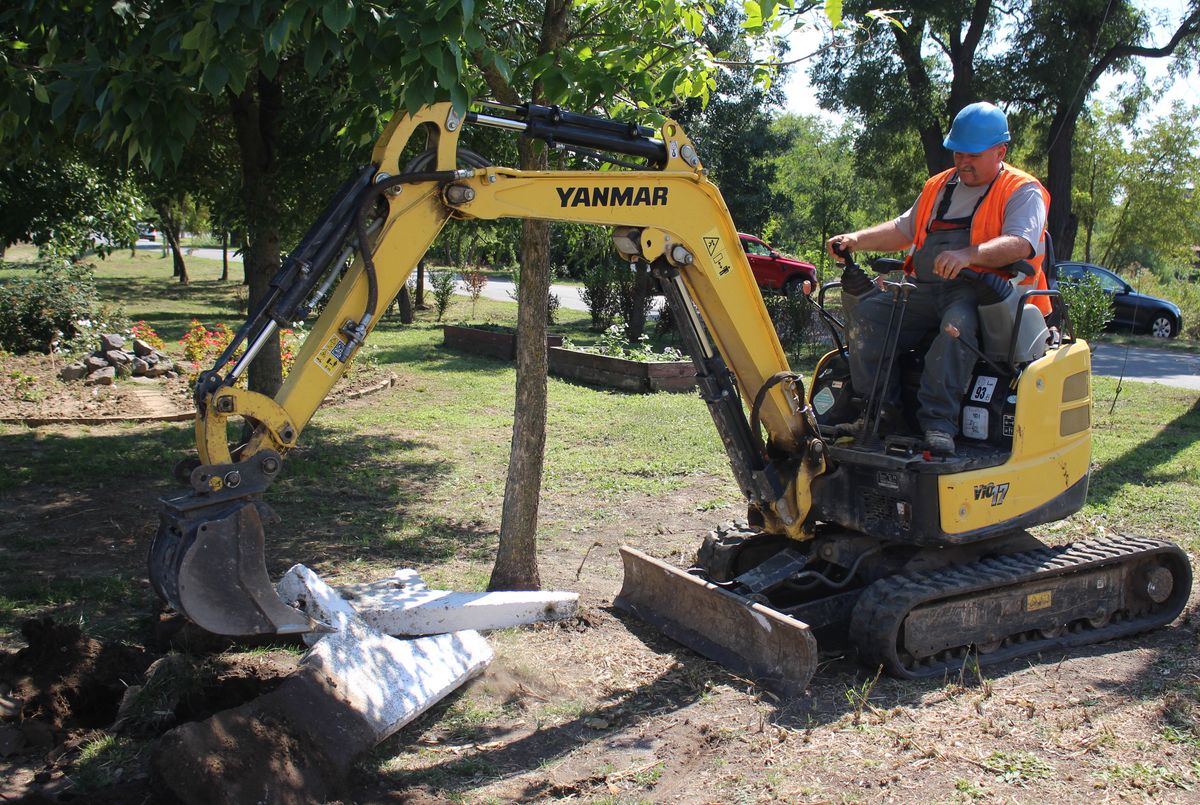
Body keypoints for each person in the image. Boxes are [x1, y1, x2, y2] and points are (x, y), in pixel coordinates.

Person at [826, 102, 1050, 457]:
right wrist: (857, 239)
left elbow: (1020, 242)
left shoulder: (1022, 189)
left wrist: (970, 255)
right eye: (958, 153)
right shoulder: (939, 186)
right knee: (868, 316)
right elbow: (904, 229)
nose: (963, 162)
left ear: (1000, 151)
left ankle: (938, 423)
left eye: (973, 155)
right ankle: (881, 414)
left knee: (955, 327)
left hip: (979, 294)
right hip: (923, 289)